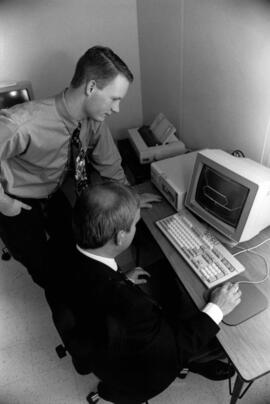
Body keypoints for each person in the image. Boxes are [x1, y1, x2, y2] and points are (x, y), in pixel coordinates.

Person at [63, 181, 241, 403]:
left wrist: (121, 279)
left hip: (92, 344)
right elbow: (170, 350)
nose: (136, 227)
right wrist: (217, 309)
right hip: (139, 374)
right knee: (222, 345)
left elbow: (91, 294)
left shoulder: (62, 252)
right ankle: (194, 363)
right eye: (135, 224)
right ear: (120, 237)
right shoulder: (131, 307)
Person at [0, 45, 160, 288]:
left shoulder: (94, 122)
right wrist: (5, 203)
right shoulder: (23, 123)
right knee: (44, 270)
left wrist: (131, 198)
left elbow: (111, 167)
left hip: (53, 194)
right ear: (91, 87)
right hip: (16, 201)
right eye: (114, 99)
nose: (117, 108)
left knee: (77, 251)